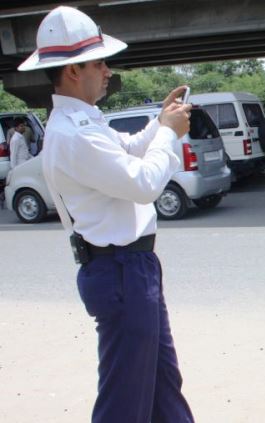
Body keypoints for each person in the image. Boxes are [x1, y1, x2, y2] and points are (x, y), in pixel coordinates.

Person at [17, 6, 195, 422]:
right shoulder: (74, 134)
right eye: (99, 62)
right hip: (120, 270)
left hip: (129, 267)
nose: (108, 70)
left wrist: (158, 122)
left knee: (162, 388)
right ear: (74, 71)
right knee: (125, 402)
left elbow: (129, 149)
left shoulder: (82, 122)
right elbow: (144, 183)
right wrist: (169, 132)